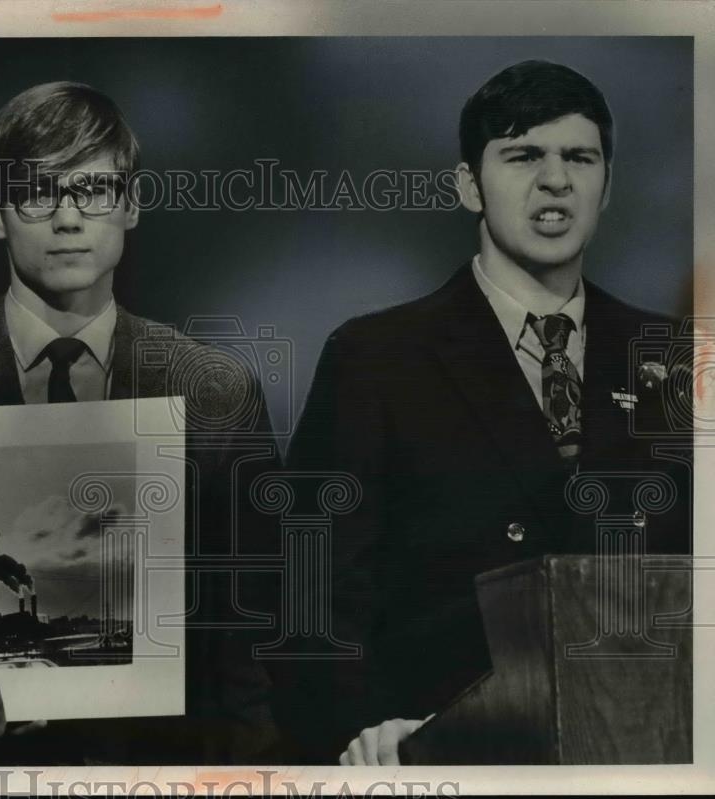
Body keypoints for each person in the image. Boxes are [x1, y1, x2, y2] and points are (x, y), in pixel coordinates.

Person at [0, 81, 280, 764]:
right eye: (38, 191)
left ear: (131, 205)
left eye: (95, 190)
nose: (68, 217)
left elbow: (255, 647)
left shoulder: (216, 392)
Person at [280, 60, 692, 764]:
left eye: (579, 157)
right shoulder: (374, 356)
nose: (555, 179)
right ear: (468, 184)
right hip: (444, 750)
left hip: (647, 746)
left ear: (607, 184)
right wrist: (367, 732)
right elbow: (314, 598)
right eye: (523, 154)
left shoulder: (675, 357)